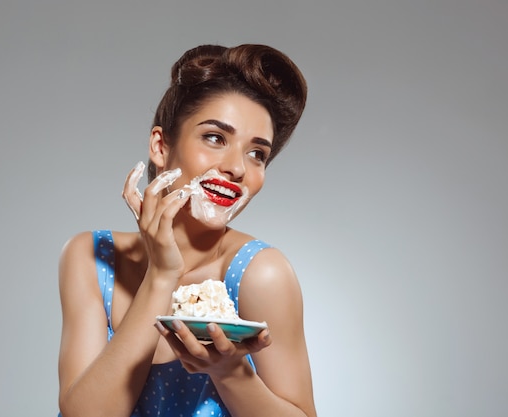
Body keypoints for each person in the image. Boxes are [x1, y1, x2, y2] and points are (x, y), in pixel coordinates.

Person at [57, 43, 317, 417]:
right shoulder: (91, 256)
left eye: (257, 153)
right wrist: (162, 275)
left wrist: (230, 372)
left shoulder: (262, 274)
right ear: (161, 147)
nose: (237, 168)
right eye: (215, 138)